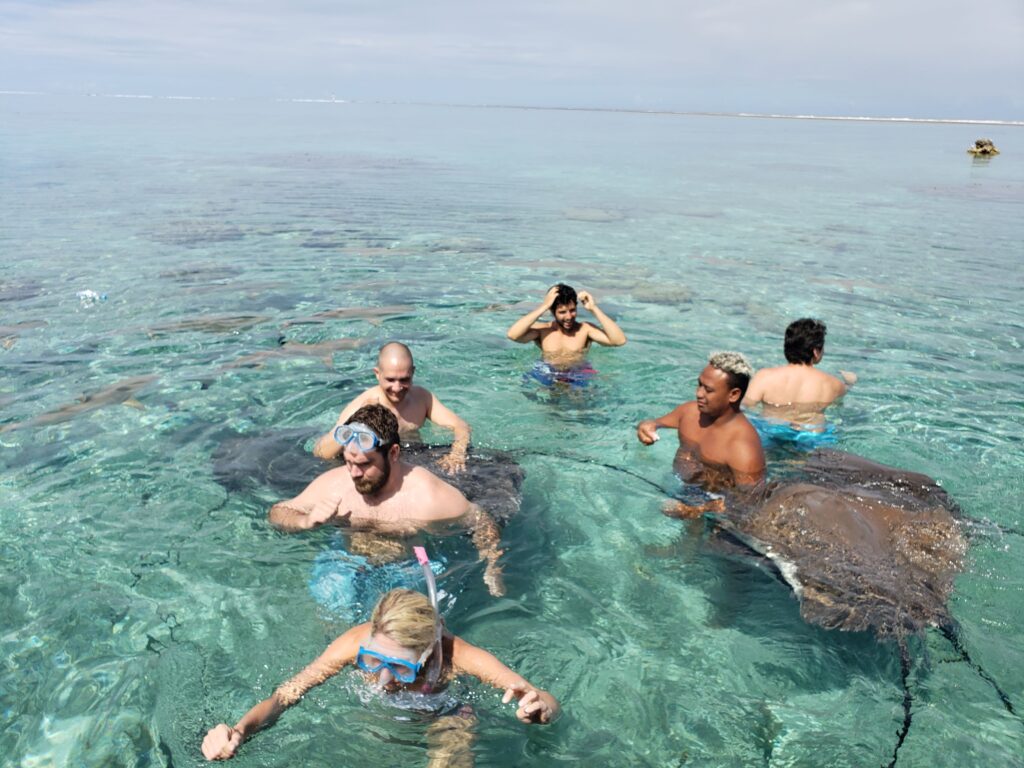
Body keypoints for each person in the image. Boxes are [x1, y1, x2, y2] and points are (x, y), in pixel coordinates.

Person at [201, 587, 559, 762]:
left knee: (455, 732)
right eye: (374, 662)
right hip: (382, 726)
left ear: (430, 651)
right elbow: (285, 696)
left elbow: (540, 697)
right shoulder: (353, 644)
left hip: (445, 711)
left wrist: (541, 707)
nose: (385, 680)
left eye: (401, 668)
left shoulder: (459, 656)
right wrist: (239, 730)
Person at [273, 404, 504, 596]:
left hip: (408, 568)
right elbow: (279, 512)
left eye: (364, 464)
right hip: (347, 560)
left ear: (393, 453)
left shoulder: (428, 497)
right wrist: (305, 521)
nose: (353, 473)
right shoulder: (335, 484)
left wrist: (492, 566)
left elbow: (479, 519)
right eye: (348, 462)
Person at [314, 342, 471, 474]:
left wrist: (457, 454)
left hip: (414, 456)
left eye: (404, 379)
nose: (397, 388)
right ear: (377, 374)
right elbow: (321, 452)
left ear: (413, 373)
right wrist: (355, 426)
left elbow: (461, 426)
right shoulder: (364, 405)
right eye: (390, 379)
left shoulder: (422, 398)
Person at [636, 352, 766, 503]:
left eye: (708, 390)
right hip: (682, 489)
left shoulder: (742, 447)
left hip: (712, 503)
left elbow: (749, 503)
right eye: (699, 385)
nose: (698, 393)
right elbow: (654, 423)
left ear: (734, 395)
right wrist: (646, 426)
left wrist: (700, 509)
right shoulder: (690, 412)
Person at [742, 319, 857, 423]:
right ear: (816, 352)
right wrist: (849, 383)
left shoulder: (764, 376)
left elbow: (745, 406)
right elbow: (837, 406)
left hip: (771, 428)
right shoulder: (833, 384)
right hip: (811, 436)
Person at [506, 284, 626, 366]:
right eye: (562, 312)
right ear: (552, 311)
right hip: (548, 373)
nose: (569, 317)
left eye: (572, 310)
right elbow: (513, 335)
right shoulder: (543, 331)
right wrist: (544, 306)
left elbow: (619, 341)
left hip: (578, 374)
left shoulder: (585, 330)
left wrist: (594, 309)